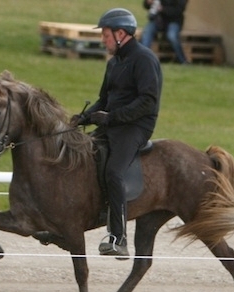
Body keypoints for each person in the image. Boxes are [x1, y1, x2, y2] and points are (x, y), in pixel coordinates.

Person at [70, 8, 162, 258]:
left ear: (121, 33)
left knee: (113, 171)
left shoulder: (144, 59)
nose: (103, 40)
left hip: (136, 126)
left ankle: (118, 238)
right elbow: (104, 99)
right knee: (80, 155)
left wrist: (112, 117)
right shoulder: (114, 63)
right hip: (114, 123)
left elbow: (148, 101)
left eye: (106, 35)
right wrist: (84, 117)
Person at [140, 0, 189, 64]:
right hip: (158, 20)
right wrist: (148, 2)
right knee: (147, 33)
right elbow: (146, 6)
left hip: (174, 21)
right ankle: (142, 59)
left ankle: (183, 60)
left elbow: (179, 10)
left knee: (172, 36)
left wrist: (163, 9)